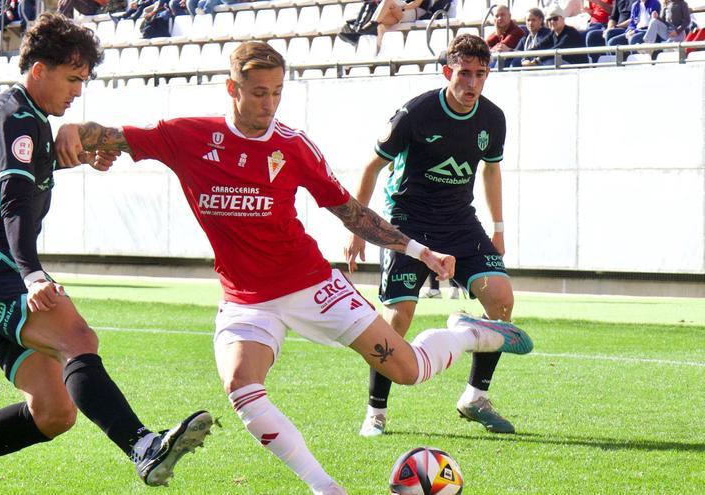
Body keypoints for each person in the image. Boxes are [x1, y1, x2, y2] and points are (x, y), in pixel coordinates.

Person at [54, 40, 533, 495]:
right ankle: (325, 487)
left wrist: (419, 252)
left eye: (277, 92)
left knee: (408, 370)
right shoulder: (190, 137)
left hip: (312, 286)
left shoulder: (293, 146)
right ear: (232, 89)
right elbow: (109, 137)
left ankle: (469, 333)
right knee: (241, 385)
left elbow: (351, 211)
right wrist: (75, 131)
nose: (269, 104)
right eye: (259, 93)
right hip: (246, 298)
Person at [0, 13, 213, 495]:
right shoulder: (17, 116)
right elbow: (12, 203)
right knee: (77, 335)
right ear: (39, 71)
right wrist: (31, 274)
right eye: (72, 79)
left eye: (83, 81)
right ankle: (144, 447)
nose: (77, 90)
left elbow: (5, 170)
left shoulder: (21, 116)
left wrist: (71, 139)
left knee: (54, 412)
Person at [345, 34, 527, 438]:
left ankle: (475, 397)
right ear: (448, 71)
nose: (472, 83)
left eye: (481, 74)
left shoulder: (492, 118)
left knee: (501, 300)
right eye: (464, 73)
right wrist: (357, 228)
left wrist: (498, 230)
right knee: (398, 317)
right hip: (408, 221)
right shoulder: (416, 113)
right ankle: (376, 411)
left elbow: (491, 170)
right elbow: (372, 167)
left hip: (460, 221)